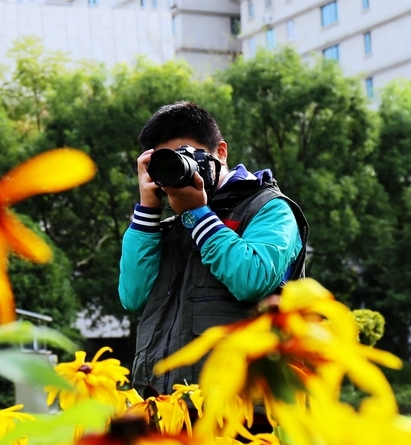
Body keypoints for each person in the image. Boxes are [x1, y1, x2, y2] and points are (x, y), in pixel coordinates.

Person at [119, 101, 308, 396]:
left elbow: (252, 280)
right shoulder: (173, 224)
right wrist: (147, 209)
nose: (177, 168)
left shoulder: (269, 208)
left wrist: (197, 214)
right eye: (165, 161)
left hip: (241, 408)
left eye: (186, 156)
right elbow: (133, 296)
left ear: (221, 152)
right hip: (163, 406)